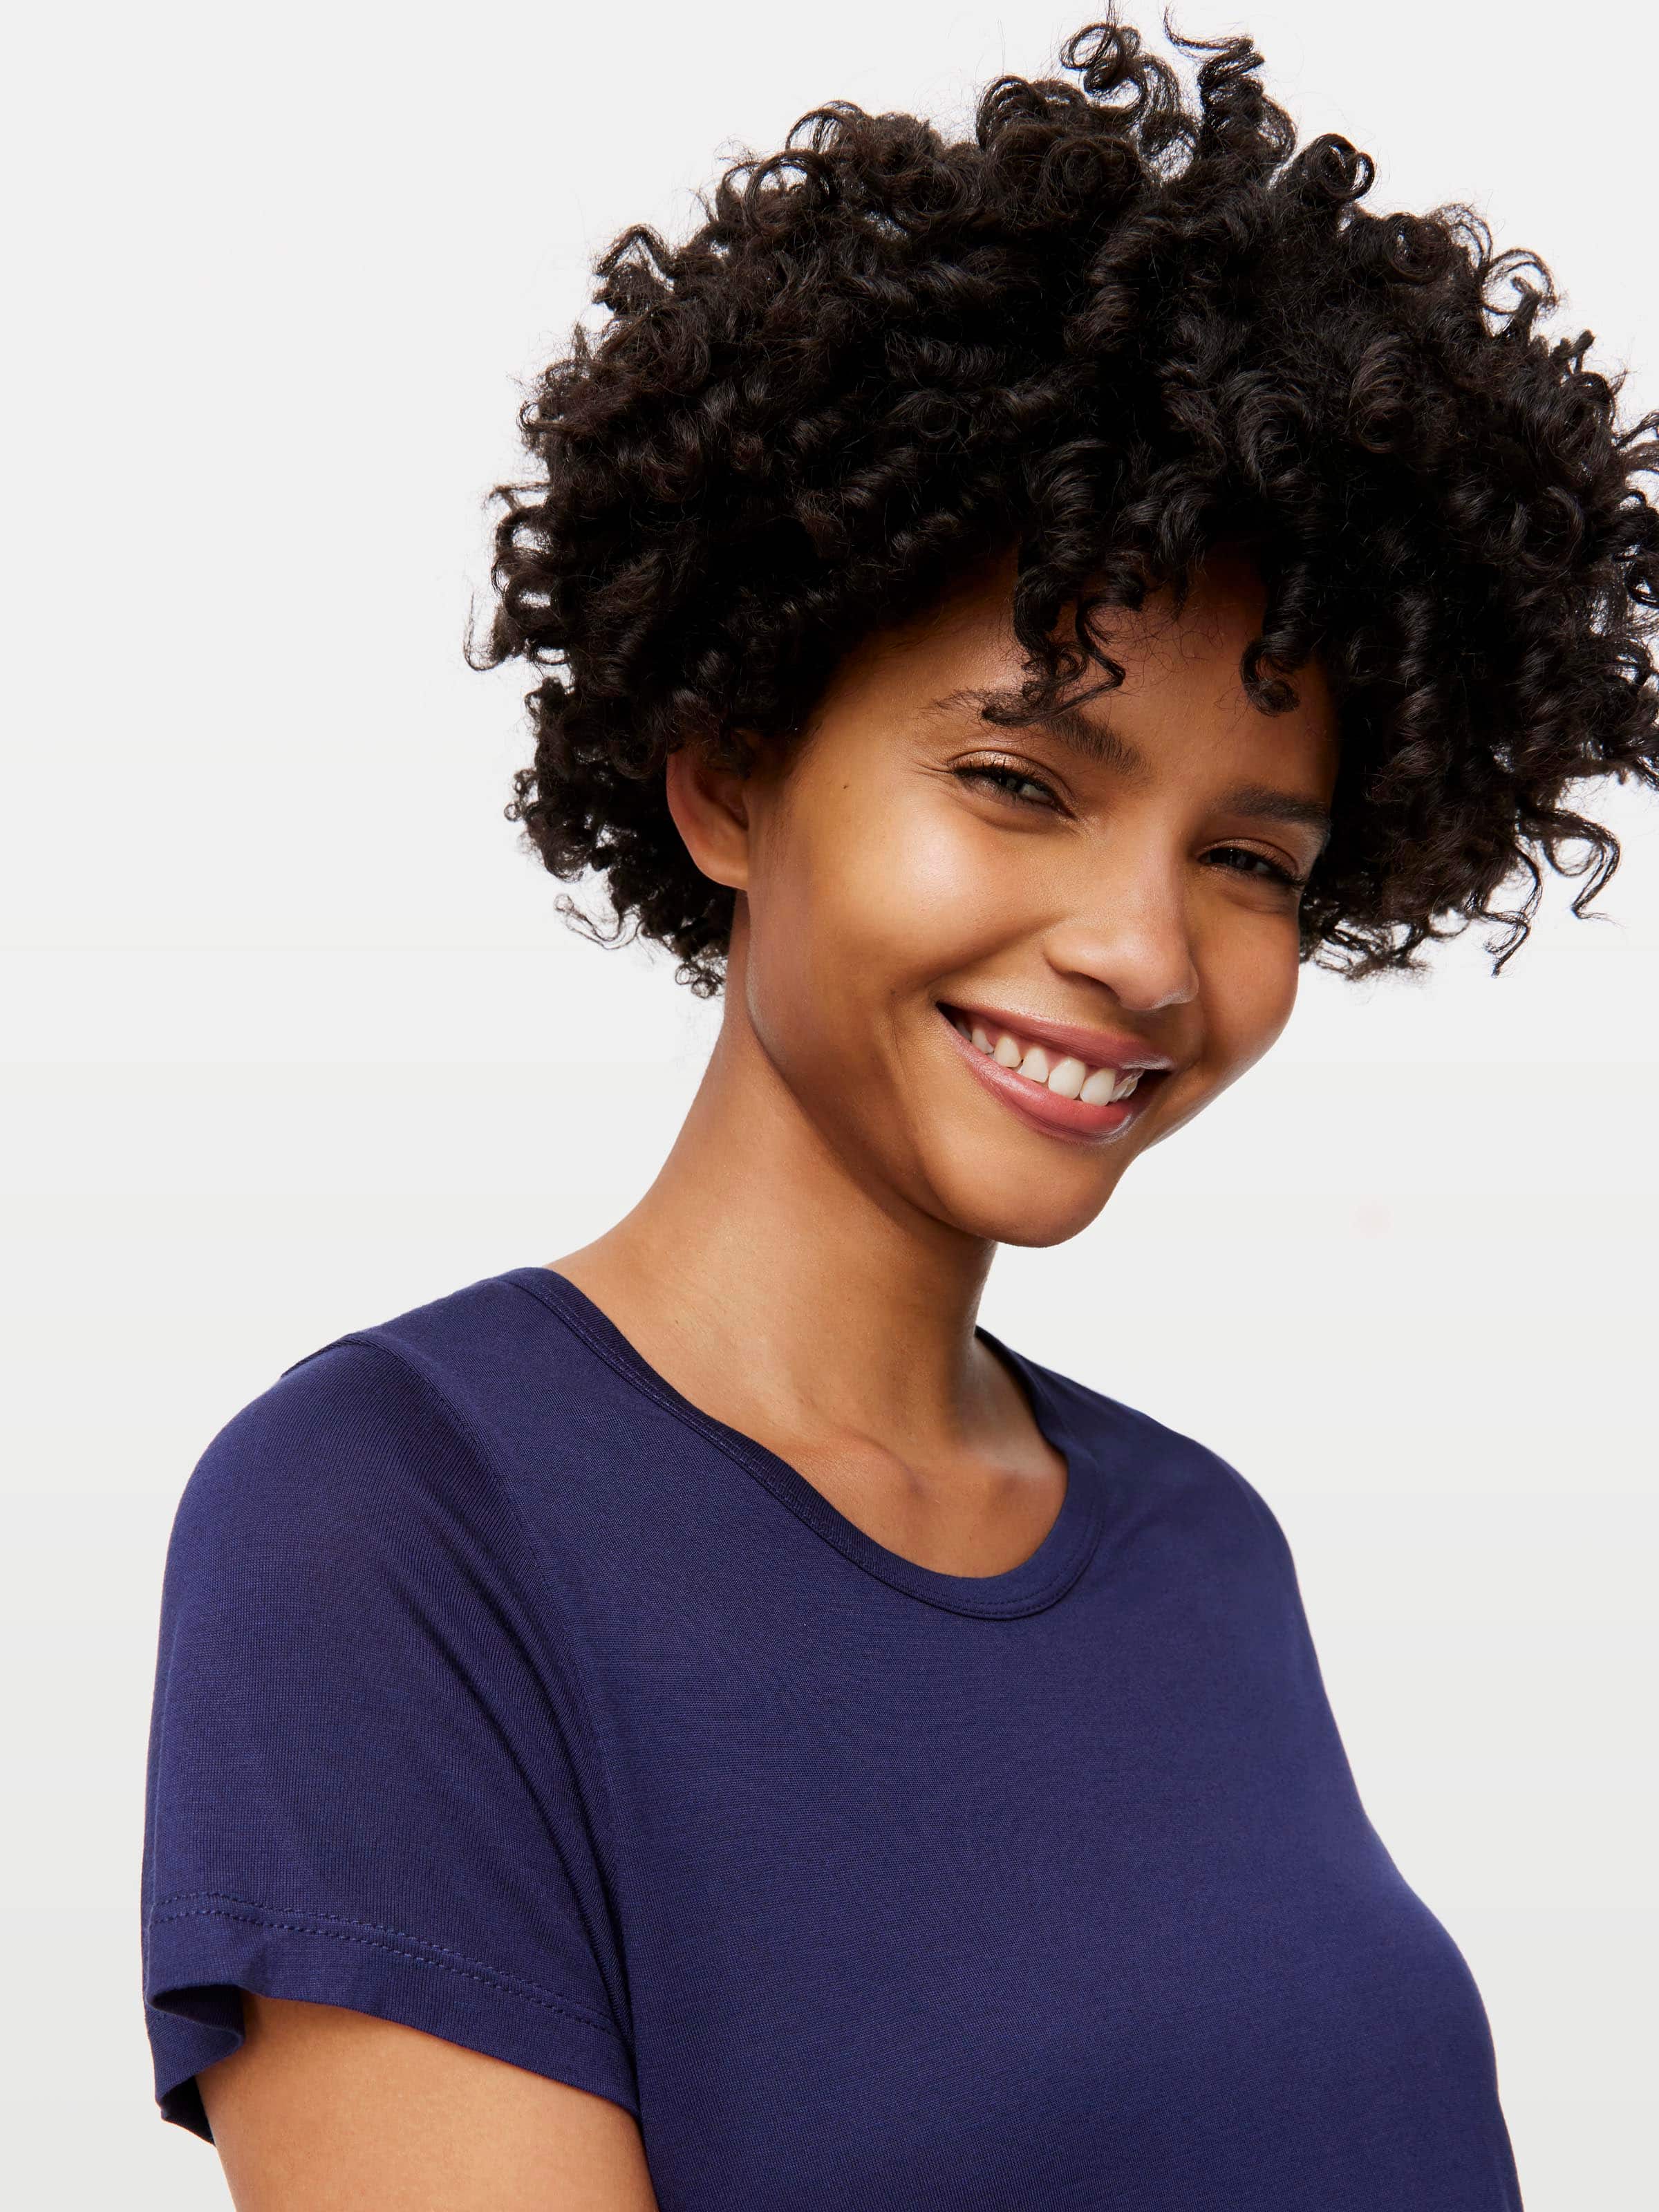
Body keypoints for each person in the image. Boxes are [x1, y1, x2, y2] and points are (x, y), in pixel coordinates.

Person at [141, 14, 1657, 2208]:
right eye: (1019, 779)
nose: (1145, 951)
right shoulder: (397, 1522)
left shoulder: (1201, 1551)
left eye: (1251, 857)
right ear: (727, 772)